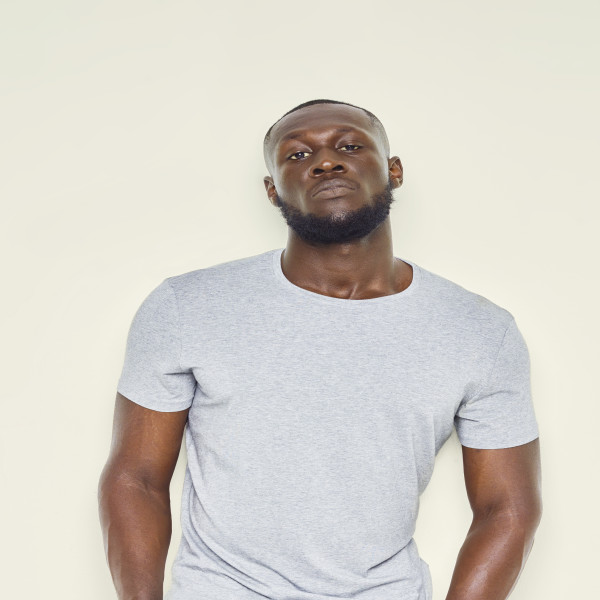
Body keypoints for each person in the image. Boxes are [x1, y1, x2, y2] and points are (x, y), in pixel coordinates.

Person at [98, 99, 542, 600]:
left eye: (349, 146)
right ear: (272, 190)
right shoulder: (187, 306)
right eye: (297, 154)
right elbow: (135, 478)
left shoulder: (479, 331)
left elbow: (508, 509)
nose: (326, 161)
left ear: (394, 170)